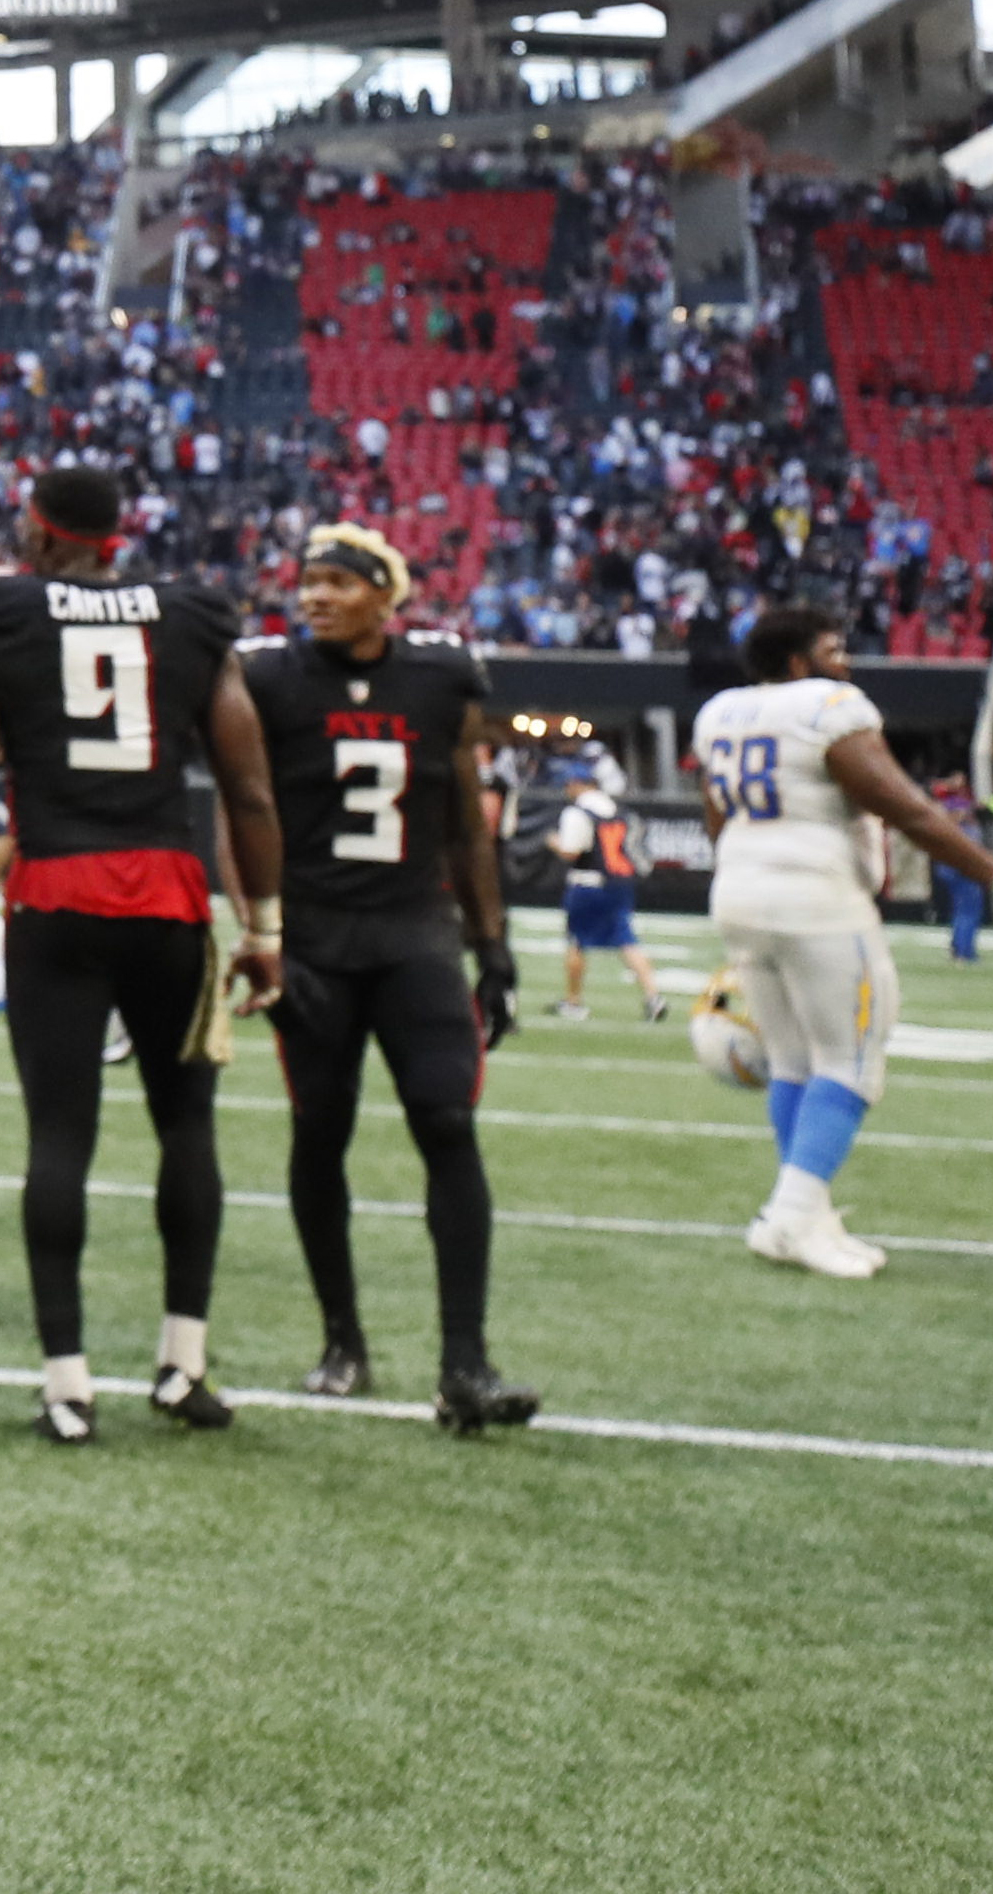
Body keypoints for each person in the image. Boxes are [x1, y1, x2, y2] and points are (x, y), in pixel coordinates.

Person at [0, 466, 283, 1447]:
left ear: (38, 537)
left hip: (58, 893)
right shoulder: (192, 616)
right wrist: (266, 932)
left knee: (59, 1140)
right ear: (114, 537)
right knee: (187, 1127)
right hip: (169, 894)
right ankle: (183, 1365)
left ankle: (68, 1384)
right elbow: (248, 791)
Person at [228, 526, 538, 1432]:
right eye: (306, 581)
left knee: (446, 1120)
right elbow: (240, 806)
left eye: (335, 583)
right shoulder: (267, 675)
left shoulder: (441, 675)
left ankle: (464, 1365)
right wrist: (262, 931)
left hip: (413, 934)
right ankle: (341, 1340)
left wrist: (494, 948)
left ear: (382, 596)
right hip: (314, 940)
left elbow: (464, 824)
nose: (313, 597)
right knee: (319, 1132)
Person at [691, 604, 993, 1277]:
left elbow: (716, 817)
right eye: (832, 648)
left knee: (793, 1062)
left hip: (737, 890)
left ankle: (806, 1212)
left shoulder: (719, 714)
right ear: (797, 662)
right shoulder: (828, 706)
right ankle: (790, 1218)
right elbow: (906, 808)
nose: (845, 660)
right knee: (851, 1065)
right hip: (815, 897)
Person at [547, 760, 660, 1019]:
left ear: (577, 784)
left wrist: (553, 843)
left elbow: (571, 850)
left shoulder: (578, 812)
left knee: (576, 942)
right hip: (620, 882)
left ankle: (573, 1001)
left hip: (589, 884)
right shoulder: (617, 809)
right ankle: (653, 995)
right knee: (626, 940)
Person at [929, 772, 990, 962]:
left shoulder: (944, 807)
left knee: (961, 908)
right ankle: (964, 951)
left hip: (950, 866)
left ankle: (958, 948)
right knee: (969, 908)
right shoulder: (955, 808)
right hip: (962, 867)